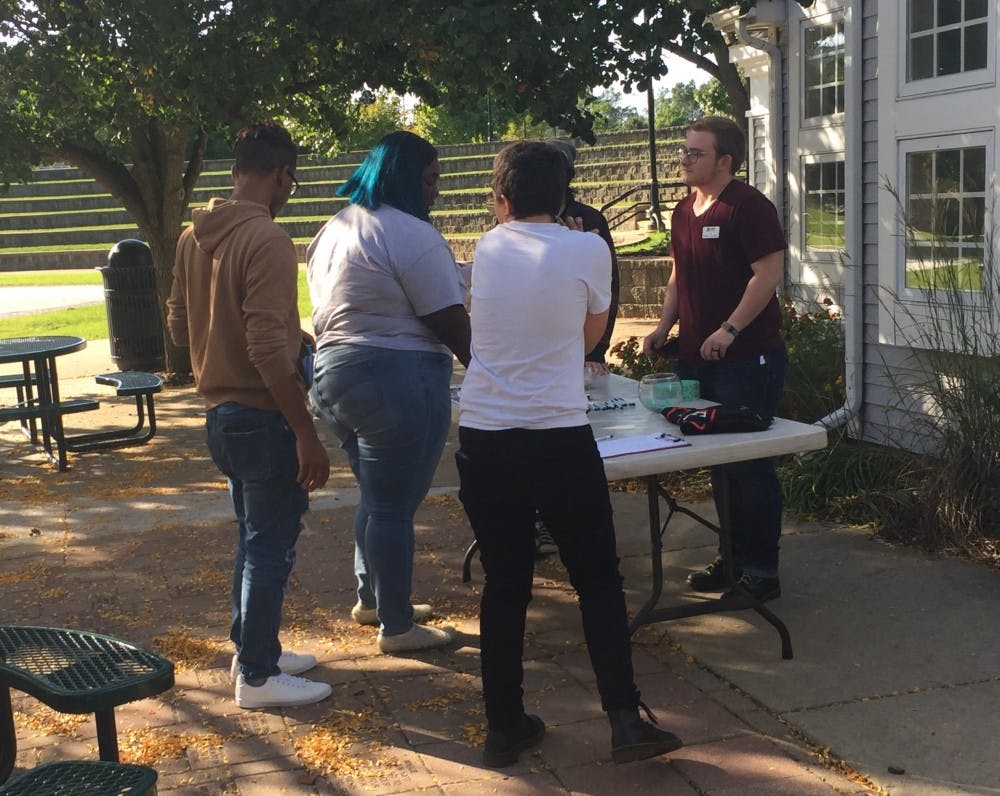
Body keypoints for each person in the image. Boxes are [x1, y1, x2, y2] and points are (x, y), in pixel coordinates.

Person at [456, 140, 682, 768]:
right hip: (557, 432)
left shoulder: (489, 245)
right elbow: (589, 337)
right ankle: (623, 717)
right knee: (597, 579)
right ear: (564, 197)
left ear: (500, 201)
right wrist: (577, 246)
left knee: (506, 581)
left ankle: (504, 724)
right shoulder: (589, 246)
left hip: (485, 433)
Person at [167, 121, 332, 710]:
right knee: (270, 546)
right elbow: (265, 349)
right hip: (262, 416)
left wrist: (277, 337)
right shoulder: (267, 239)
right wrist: (305, 433)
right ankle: (258, 674)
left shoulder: (193, 238)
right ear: (282, 176)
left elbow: (179, 323)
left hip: (219, 413)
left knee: (252, 538)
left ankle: (253, 647)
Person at [306, 131, 470, 654]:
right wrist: (488, 370)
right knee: (395, 507)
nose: (434, 192)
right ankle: (397, 626)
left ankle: (374, 598)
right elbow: (446, 317)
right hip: (397, 377)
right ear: (403, 177)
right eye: (428, 181)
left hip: (333, 374)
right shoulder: (409, 232)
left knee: (377, 497)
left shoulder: (335, 229)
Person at [642, 116, 787, 602]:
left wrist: (730, 329)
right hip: (696, 361)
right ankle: (733, 561)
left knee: (750, 467)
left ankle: (762, 573)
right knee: (719, 467)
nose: (683, 159)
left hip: (746, 361)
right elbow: (678, 275)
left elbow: (767, 275)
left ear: (725, 160)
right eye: (683, 151)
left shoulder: (748, 206)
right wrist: (665, 326)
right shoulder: (684, 209)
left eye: (694, 153)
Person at [529, 139, 623, 558]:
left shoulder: (590, 220)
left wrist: (595, 348)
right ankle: (537, 521)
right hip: (538, 356)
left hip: (583, 350)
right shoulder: (519, 220)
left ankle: (567, 521)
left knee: (577, 438)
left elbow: (608, 289)